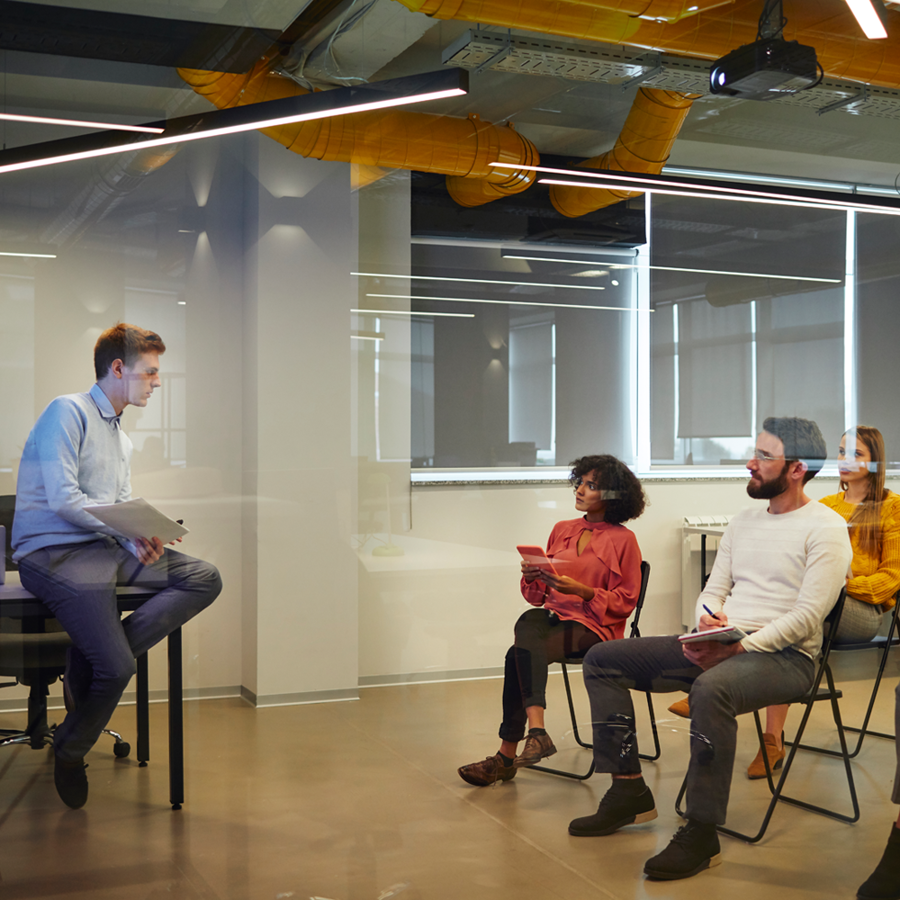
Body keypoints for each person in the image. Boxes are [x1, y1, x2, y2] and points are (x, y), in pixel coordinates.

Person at [570, 417, 851, 881]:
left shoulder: (826, 527)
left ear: (798, 468)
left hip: (787, 659)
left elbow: (807, 616)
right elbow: (713, 589)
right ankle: (627, 790)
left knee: (712, 690)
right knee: (603, 660)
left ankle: (701, 832)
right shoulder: (742, 522)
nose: (750, 463)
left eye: (764, 456)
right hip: (722, 644)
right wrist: (708, 618)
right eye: (754, 453)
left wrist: (740, 649)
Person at [12, 323, 222, 809]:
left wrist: (138, 542)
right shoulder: (67, 412)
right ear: (119, 369)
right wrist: (125, 534)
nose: (157, 382)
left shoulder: (120, 438)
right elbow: (65, 502)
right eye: (150, 372)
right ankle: (72, 746)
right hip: (52, 554)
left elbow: (119, 504)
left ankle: (91, 656)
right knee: (119, 666)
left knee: (203, 577)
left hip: (101, 550)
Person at [457, 454, 645, 787]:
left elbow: (626, 602)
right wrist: (534, 576)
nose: (580, 490)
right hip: (555, 619)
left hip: (595, 629)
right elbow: (536, 598)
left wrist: (585, 592)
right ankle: (536, 733)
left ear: (613, 495)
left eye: (592, 485)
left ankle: (506, 755)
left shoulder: (623, 540)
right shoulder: (562, 529)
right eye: (580, 482)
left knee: (517, 654)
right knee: (529, 621)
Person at [747, 425, 900, 778]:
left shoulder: (892, 509)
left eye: (856, 454)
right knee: (787, 606)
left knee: (798, 609)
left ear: (875, 461)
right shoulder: (824, 506)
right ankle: (772, 738)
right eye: (842, 450)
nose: (845, 460)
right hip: (816, 608)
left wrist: (841, 584)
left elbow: (890, 580)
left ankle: (718, 683)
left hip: (862, 613)